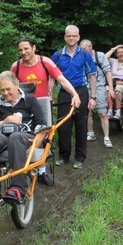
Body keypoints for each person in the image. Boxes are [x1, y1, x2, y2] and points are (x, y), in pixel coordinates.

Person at [11, 36, 81, 185]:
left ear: (34, 48)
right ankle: (23, 165)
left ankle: (41, 172)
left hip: (43, 103)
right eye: (20, 50)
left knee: (43, 137)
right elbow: (10, 87)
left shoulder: (45, 62)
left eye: (26, 48)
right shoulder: (16, 66)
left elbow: (61, 80)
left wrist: (74, 94)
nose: (23, 52)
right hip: (23, 106)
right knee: (22, 135)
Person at [0, 71, 46, 204]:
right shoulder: (0, 102)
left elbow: (42, 123)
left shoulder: (29, 99)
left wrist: (40, 138)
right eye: (2, 90)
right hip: (4, 135)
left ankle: (18, 187)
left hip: (25, 135)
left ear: (16, 85)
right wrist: (7, 121)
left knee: (15, 137)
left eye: (8, 89)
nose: (5, 93)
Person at [51, 25, 97, 169]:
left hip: (82, 91)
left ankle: (80, 157)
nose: (71, 38)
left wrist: (93, 97)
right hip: (64, 93)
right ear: (65, 37)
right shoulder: (57, 55)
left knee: (81, 125)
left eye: (74, 36)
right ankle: (64, 156)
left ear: (78, 37)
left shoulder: (84, 54)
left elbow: (92, 76)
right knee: (63, 125)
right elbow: (52, 78)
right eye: (68, 36)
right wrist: (50, 95)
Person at [80, 39, 115, 148]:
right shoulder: (80, 57)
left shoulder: (100, 56)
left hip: (99, 86)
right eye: (81, 49)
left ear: (91, 47)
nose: (82, 51)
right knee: (87, 112)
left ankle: (106, 137)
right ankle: (90, 133)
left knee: (103, 113)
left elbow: (107, 72)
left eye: (85, 48)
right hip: (85, 87)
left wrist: (111, 88)